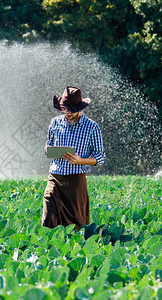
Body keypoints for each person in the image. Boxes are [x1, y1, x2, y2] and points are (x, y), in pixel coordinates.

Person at [42, 86, 105, 229]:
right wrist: (48, 150)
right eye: (64, 110)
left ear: (79, 108)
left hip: (76, 179)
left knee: (76, 222)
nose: (67, 113)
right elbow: (48, 146)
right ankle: (48, 248)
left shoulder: (91, 127)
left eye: (70, 110)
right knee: (48, 217)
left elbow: (100, 157)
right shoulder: (55, 123)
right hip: (55, 176)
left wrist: (80, 160)